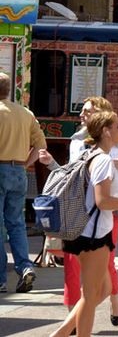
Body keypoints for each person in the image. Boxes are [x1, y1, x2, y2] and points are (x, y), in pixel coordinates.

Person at [49, 111, 118, 337]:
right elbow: (102, 201)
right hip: (92, 236)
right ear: (106, 131)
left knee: (103, 290)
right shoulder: (103, 160)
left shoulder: (91, 155)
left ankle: (61, 333)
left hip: (86, 232)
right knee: (90, 295)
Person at [39, 96, 118, 324]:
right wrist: (52, 164)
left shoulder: (115, 139)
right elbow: (70, 175)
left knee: (106, 265)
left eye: (87, 111)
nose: (81, 115)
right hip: (75, 211)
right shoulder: (77, 139)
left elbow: (117, 175)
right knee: (71, 266)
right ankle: (73, 319)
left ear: (100, 115)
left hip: (104, 214)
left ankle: (114, 299)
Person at [0, 72, 45, 295]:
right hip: (18, 170)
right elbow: (40, 145)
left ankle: (0, 279)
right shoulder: (26, 114)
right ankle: (25, 267)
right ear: (8, 90)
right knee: (16, 223)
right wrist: (25, 164)